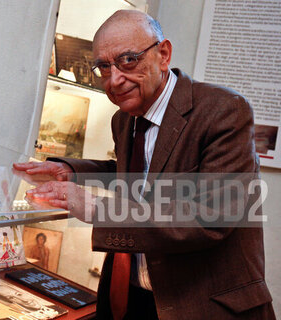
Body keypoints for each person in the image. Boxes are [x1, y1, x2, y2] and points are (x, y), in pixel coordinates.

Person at [14, 10, 275, 320]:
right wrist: (73, 171)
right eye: (104, 67)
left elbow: (210, 216)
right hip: (131, 297)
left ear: (163, 54)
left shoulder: (224, 111)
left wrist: (96, 207)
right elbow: (137, 174)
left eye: (128, 61)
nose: (114, 80)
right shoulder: (123, 119)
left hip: (201, 304)